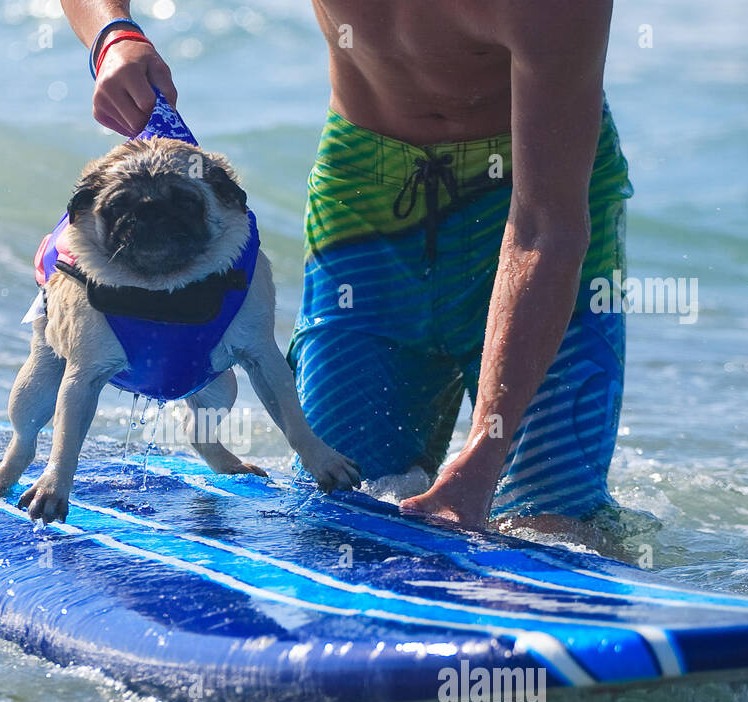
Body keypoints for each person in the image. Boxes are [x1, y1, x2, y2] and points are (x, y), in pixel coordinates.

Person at [59, 1, 632, 534]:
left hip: (534, 200)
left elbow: (546, 229)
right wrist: (114, 36)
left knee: (551, 527)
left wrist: (483, 455)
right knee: (341, 509)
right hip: (367, 203)